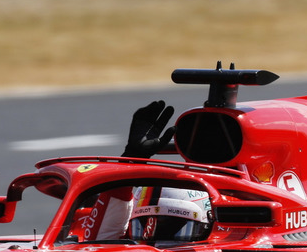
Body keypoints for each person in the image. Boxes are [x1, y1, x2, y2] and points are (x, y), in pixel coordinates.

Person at [66, 101, 212, 243]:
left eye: (173, 227)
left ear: (206, 226)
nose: (154, 242)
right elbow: (98, 242)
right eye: (141, 225)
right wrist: (130, 160)